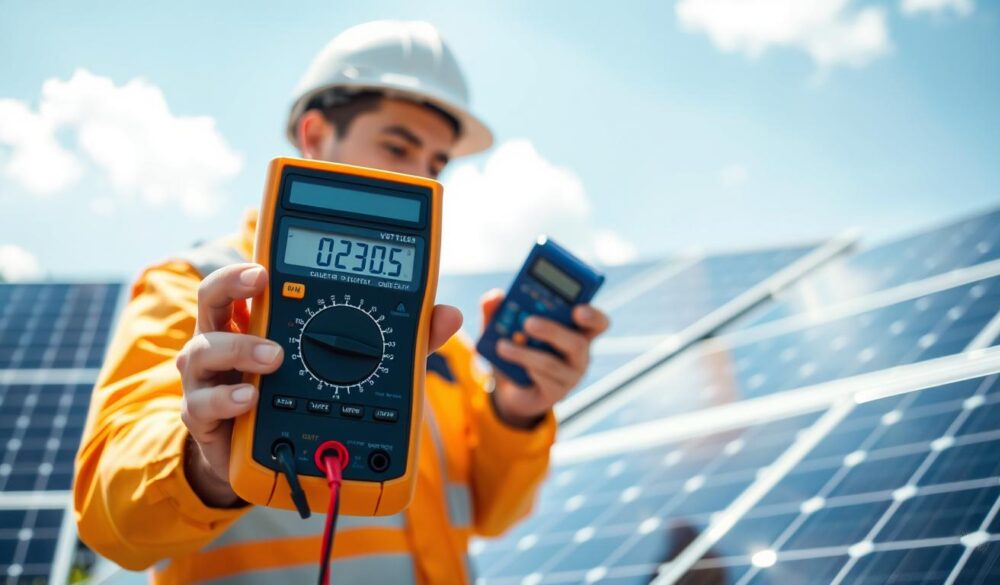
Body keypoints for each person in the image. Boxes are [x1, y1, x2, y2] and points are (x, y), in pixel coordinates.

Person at [73, 20, 610, 584]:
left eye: (435, 164)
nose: (418, 178)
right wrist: (203, 466)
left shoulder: (441, 347)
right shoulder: (192, 287)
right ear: (313, 136)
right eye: (397, 146)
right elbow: (111, 524)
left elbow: (491, 513)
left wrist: (518, 412)